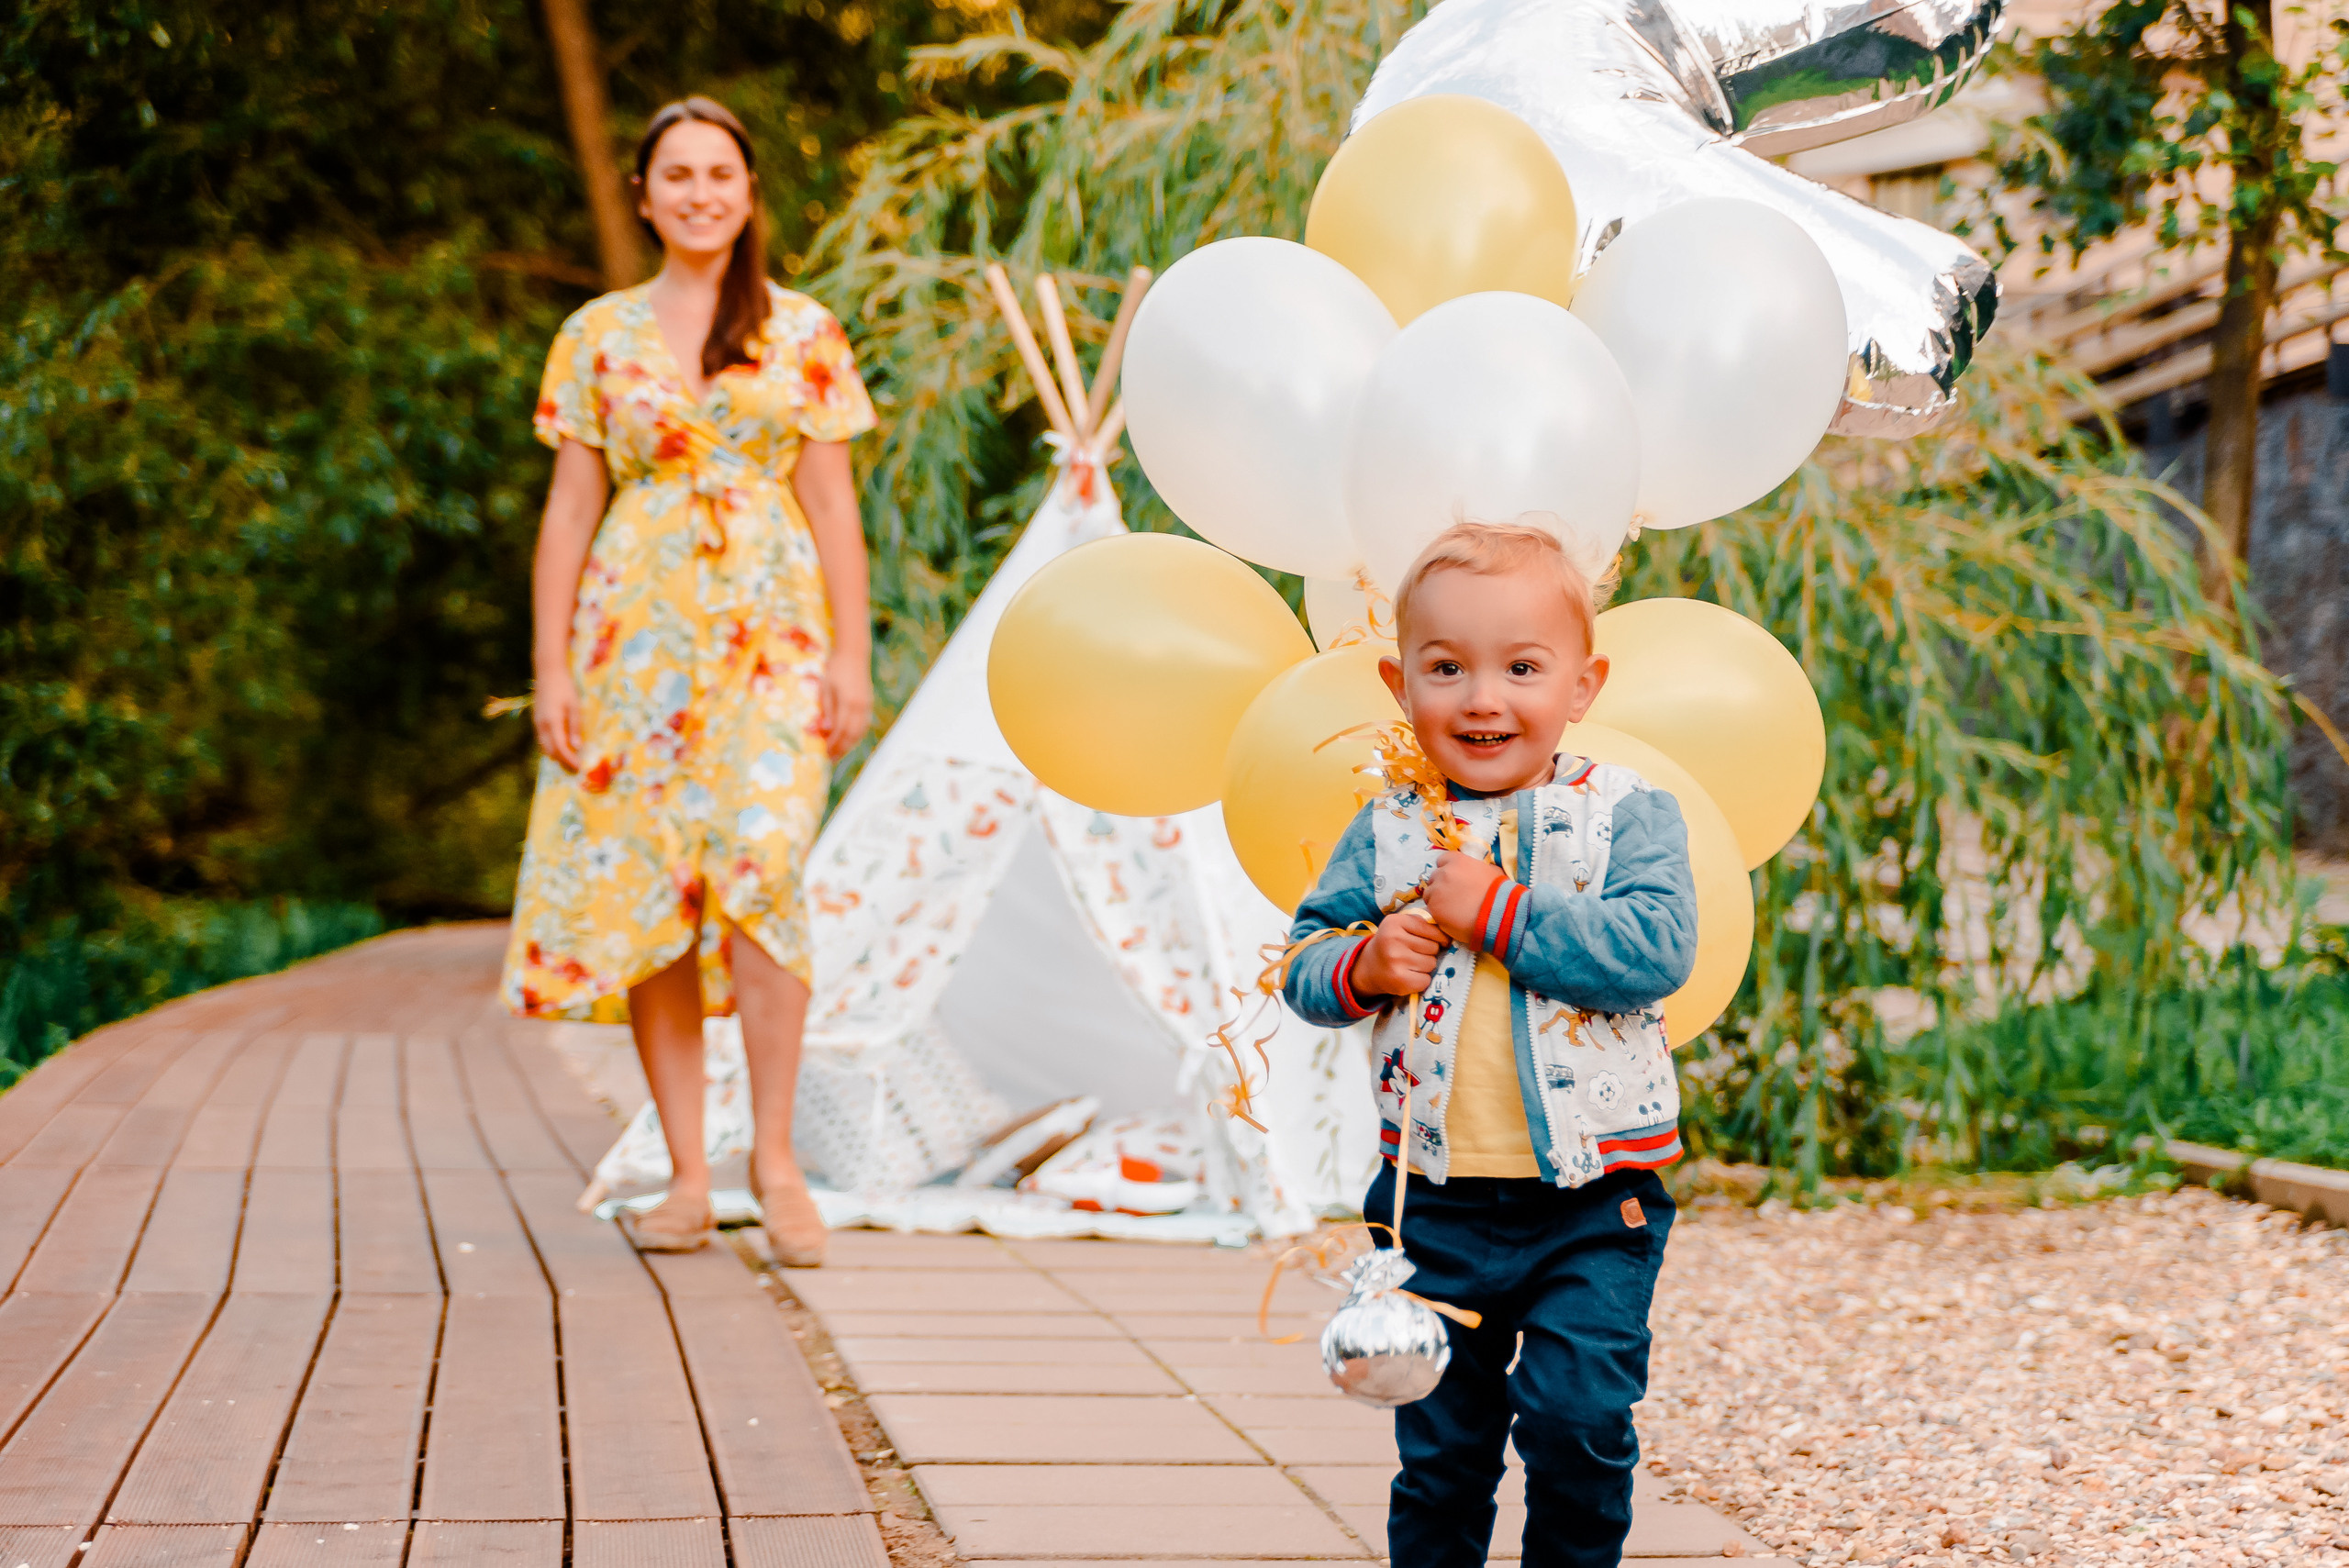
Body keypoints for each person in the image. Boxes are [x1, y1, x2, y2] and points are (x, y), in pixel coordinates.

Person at [501, 95, 877, 1267]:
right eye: (678, 173)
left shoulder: (803, 329)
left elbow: (832, 507)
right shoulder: (597, 334)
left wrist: (853, 655)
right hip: (634, 650)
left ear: (749, 191)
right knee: (655, 890)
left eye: (720, 171)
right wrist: (552, 665)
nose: (701, 191)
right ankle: (684, 1174)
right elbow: (569, 510)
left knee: (763, 867)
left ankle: (773, 1158)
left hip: (770, 643)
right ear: (645, 193)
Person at [1280, 520, 1699, 1568]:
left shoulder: (1626, 815)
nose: (1482, 697)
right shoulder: (1389, 826)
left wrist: (1501, 913)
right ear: (1399, 680)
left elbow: (1655, 948)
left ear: (1581, 682)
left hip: (1595, 1199)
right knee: (1444, 1451)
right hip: (1437, 1200)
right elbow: (1301, 961)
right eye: (1445, 667)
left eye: (1521, 667)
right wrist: (1365, 965)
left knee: (1575, 1422)